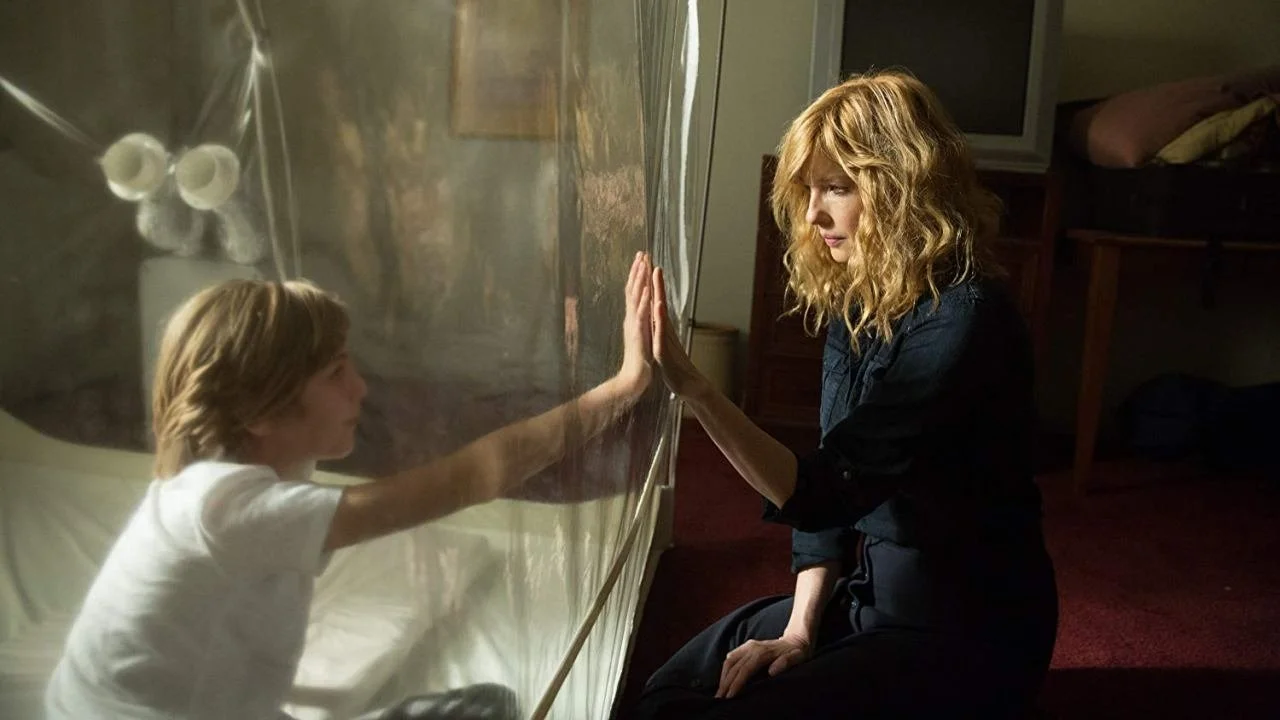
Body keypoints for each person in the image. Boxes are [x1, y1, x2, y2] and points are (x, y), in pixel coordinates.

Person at [44, 252, 657, 720]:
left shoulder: (226, 486)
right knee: (485, 710)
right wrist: (625, 385)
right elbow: (480, 474)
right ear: (260, 412)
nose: (360, 388)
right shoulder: (221, 507)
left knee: (487, 704)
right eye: (336, 373)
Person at [631, 70, 1059, 719]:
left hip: (965, 631)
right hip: (869, 601)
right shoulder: (860, 306)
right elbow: (825, 509)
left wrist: (694, 387)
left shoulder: (965, 320)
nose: (813, 215)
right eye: (809, 190)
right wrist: (799, 631)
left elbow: (824, 489)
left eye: (836, 188)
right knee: (671, 690)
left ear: (900, 188)